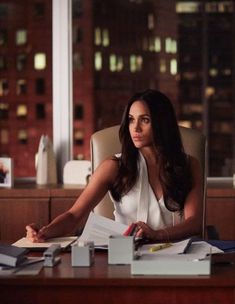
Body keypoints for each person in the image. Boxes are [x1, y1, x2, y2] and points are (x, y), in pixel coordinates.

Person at [26, 89, 203, 243]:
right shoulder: (114, 166)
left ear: (162, 123)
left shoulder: (188, 165)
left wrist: (157, 235)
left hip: (176, 255)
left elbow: (194, 222)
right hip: (125, 256)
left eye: (145, 120)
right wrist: (44, 231)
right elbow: (74, 216)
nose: (136, 128)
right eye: (132, 120)